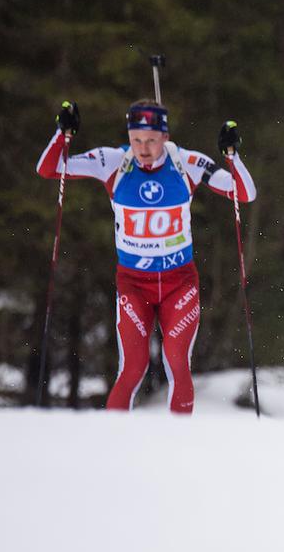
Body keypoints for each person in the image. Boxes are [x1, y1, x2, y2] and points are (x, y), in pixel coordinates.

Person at [36, 100, 256, 413]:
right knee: (132, 368)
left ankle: (178, 444)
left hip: (179, 281)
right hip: (133, 284)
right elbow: (49, 169)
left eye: (151, 140)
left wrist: (232, 157)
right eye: (136, 139)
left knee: (177, 361)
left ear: (164, 137)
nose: (143, 148)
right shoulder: (113, 161)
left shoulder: (186, 163)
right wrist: (62, 133)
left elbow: (245, 193)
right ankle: (114, 445)